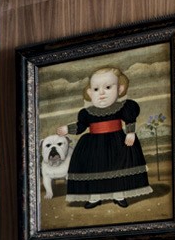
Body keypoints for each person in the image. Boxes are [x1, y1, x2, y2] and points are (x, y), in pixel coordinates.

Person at [56, 65, 152, 209]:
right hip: (93, 145)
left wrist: (130, 132)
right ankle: (95, 197)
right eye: (96, 89)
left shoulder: (122, 107)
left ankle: (119, 195)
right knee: (94, 169)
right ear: (90, 93)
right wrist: (67, 129)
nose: (101, 93)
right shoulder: (87, 113)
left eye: (108, 87)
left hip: (117, 142)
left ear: (120, 89)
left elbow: (129, 120)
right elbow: (81, 126)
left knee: (117, 168)